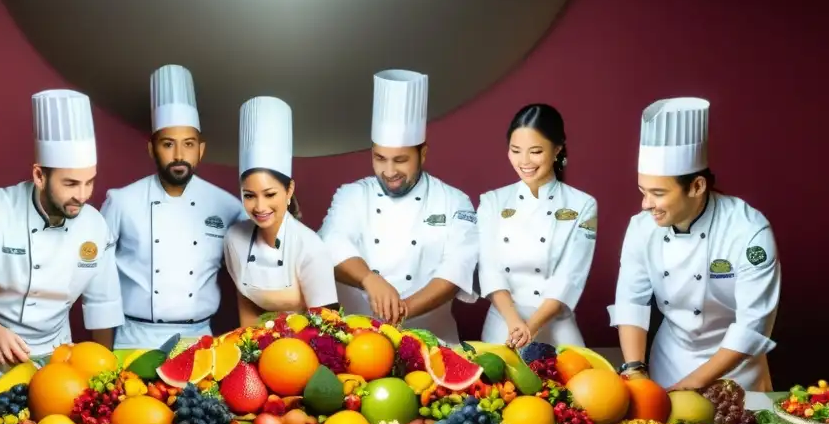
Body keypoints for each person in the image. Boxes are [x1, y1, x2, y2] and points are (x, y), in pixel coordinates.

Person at [0, 90, 123, 379]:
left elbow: (103, 303)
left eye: (89, 182)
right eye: (70, 183)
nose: (81, 196)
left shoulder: (94, 225)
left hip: (59, 358)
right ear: (39, 176)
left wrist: (106, 372)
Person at [608, 98, 781, 391]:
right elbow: (631, 302)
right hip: (669, 363)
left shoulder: (748, 231)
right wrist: (635, 370)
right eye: (642, 191)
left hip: (736, 376)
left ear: (697, 187)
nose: (645, 204)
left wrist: (691, 386)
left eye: (658, 193)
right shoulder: (641, 228)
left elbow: (753, 325)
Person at [318, 70, 478, 345]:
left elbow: (456, 269)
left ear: (423, 153)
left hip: (434, 343)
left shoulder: (454, 201)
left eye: (400, 160)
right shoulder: (351, 195)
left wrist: (400, 312)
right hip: (356, 345)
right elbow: (329, 244)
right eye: (380, 158)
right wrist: (369, 279)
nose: (389, 171)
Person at [101, 65, 244, 349]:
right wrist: (100, 354)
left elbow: (258, 264)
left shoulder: (228, 206)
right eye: (168, 144)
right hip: (133, 338)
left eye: (188, 144)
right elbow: (98, 279)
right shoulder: (121, 201)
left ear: (200, 150)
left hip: (200, 339)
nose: (179, 155)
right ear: (152, 148)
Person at [477, 104, 597, 349]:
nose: (524, 161)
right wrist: (514, 323)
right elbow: (489, 269)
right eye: (515, 150)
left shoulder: (583, 204)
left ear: (557, 150)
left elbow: (570, 276)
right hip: (504, 322)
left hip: (557, 325)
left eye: (535, 151)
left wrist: (531, 327)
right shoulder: (492, 201)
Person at [223, 96, 338, 326]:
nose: (260, 207)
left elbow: (328, 325)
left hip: (306, 347)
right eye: (249, 195)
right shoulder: (234, 239)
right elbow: (245, 303)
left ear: (289, 190)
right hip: (258, 343)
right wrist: (249, 349)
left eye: (270, 194)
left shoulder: (310, 246)